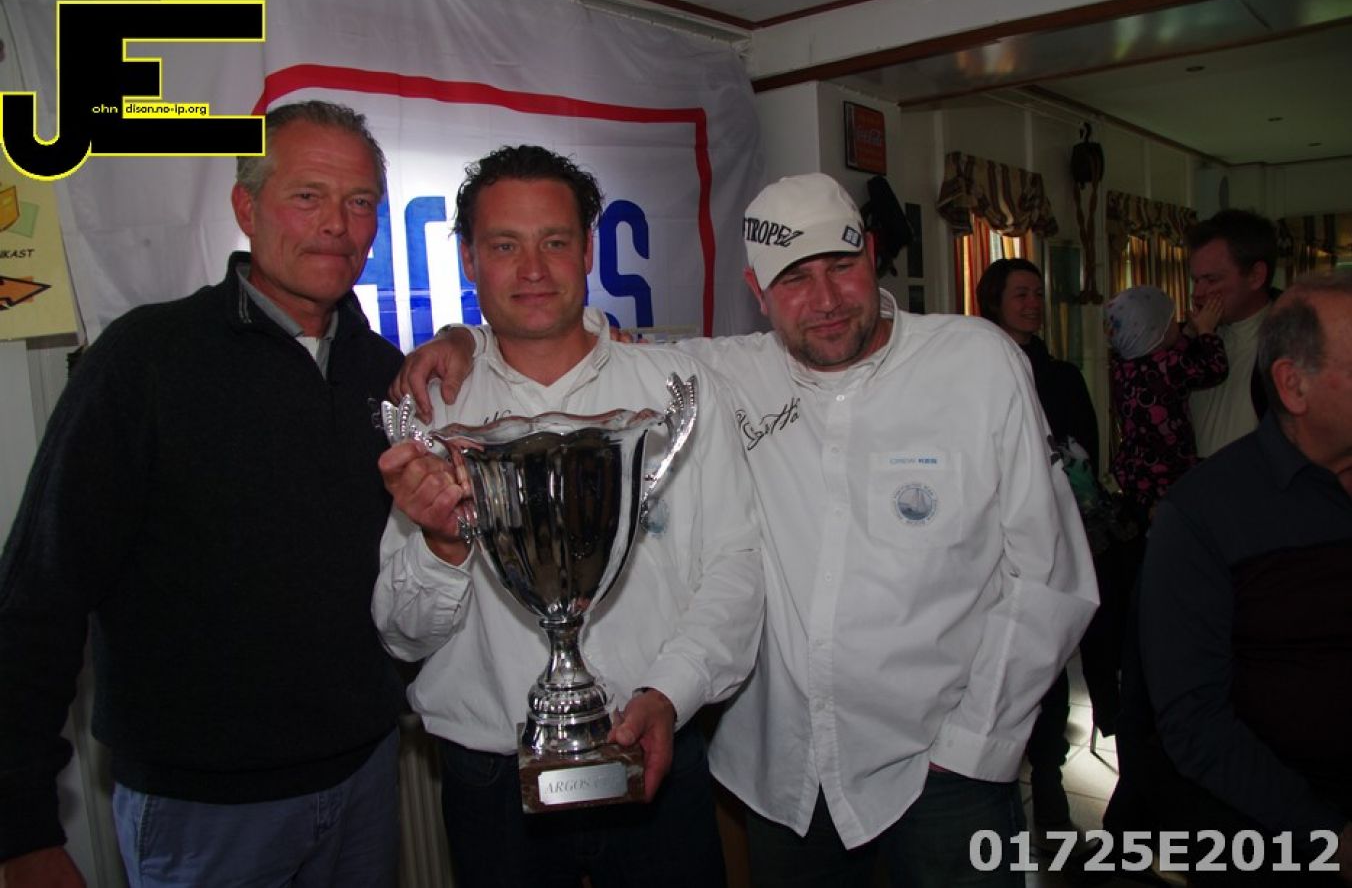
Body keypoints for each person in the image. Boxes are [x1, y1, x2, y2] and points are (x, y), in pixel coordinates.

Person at [394, 172, 1098, 886]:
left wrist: (977, 741)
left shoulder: (977, 361)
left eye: (841, 266)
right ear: (756, 292)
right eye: (793, 280)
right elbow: (559, 336)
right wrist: (467, 339)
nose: (825, 301)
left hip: (940, 769)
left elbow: (1051, 574)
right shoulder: (713, 375)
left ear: (872, 254)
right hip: (788, 777)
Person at [0, 101, 406, 887]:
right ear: (246, 208)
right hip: (204, 815)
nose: (337, 224)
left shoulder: (382, 372)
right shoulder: (145, 361)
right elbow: (38, 592)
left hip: (365, 780)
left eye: (359, 202)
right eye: (308, 195)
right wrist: (19, 830)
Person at [372, 145, 764, 888]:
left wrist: (669, 694)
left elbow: (735, 568)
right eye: (504, 245)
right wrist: (441, 543)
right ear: (468, 259)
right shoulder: (434, 413)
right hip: (491, 779)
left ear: (588, 251)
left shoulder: (674, 388)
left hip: (656, 746)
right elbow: (402, 633)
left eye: (554, 242)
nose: (532, 269)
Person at [1134, 270, 1352, 884]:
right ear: (1293, 384)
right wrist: (1330, 840)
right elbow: (1193, 720)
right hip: (1267, 840)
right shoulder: (1205, 515)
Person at [975, 258, 1100, 845]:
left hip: (1048, 537)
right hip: (986, 547)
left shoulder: (1062, 376)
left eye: (1037, 294)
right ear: (994, 301)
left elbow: (1085, 459)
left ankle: (1049, 796)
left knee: (1045, 672)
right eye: (1020, 294)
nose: (1032, 304)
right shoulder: (971, 370)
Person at [1105, 284, 1228, 521]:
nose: (1176, 324)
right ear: (1156, 333)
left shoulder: (1124, 367)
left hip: (1136, 473)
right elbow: (1215, 368)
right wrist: (1206, 330)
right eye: (1170, 321)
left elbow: (1171, 358)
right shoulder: (1167, 367)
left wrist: (1188, 334)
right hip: (1167, 474)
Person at [1186, 208, 1280, 456]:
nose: (1198, 293)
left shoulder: (1293, 343)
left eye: (1212, 280)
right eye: (1195, 281)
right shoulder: (1186, 342)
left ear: (1256, 276)